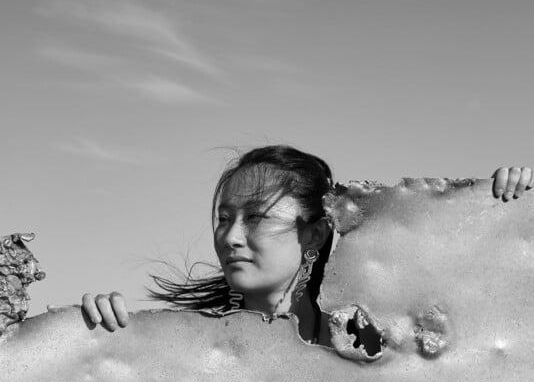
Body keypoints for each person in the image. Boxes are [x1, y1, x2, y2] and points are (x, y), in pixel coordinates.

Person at [81, 148, 532, 346]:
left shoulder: (367, 338)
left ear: (314, 234)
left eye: (256, 217)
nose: (231, 236)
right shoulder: (187, 346)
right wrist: (100, 338)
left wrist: (503, 211)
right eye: (223, 218)